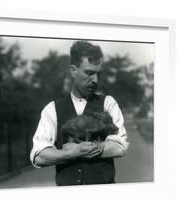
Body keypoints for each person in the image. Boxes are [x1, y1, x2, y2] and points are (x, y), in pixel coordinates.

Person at [30, 40, 129, 186]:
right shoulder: (52, 109)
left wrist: (87, 149)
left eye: (98, 74)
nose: (95, 80)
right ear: (73, 70)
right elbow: (38, 156)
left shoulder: (108, 103)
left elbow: (120, 146)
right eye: (89, 73)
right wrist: (72, 153)